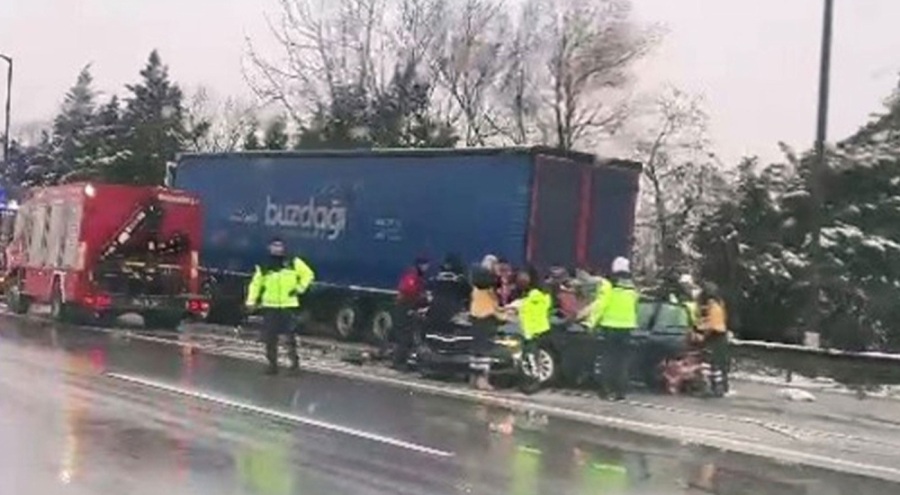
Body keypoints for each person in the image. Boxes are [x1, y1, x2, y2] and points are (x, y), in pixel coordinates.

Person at [245, 238, 315, 375]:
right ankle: (272, 365)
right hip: (270, 306)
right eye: (274, 246)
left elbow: (308, 274)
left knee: (290, 338)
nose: (277, 249)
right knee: (270, 338)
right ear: (269, 248)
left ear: (284, 248)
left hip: (288, 305)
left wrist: (299, 289)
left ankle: (294, 365)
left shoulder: (293, 262)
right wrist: (251, 301)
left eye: (279, 246)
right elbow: (255, 284)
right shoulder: (264, 266)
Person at [587, 256, 638, 401]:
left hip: (610, 326)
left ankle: (606, 390)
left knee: (607, 359)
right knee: (621, 361)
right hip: (627, 327)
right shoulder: (632, 285)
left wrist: (591, 323)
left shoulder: (608, 283)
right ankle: (620, 391)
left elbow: (600, 305)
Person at [391, 256, 431, 369]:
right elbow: (408, 291)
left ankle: (404, 360)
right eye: (425, 264)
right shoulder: (412, 276)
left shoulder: (418, 276)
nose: (427, 267)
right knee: (405, 336)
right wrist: (422, 298)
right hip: (404, 308)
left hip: (408, 307)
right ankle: (398, 362)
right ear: (420, 264)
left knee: (409, 335)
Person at [426, 254, 471, 334]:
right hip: (452, 315)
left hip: (433, 316)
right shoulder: (460, 280)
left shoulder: (436, 279)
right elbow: (468, 294)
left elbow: (429, 292)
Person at [698, 282, 729, 396]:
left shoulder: (711, 305)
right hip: (720, 335)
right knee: (716, 364)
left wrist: (703, 334)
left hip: (713, 335)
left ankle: (708, 387)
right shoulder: (719, 303)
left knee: (707, 363)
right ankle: (719, 387)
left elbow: (711, 324)